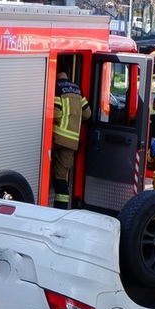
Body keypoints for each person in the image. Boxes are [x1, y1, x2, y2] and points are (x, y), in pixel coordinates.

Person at [52, 71, 89, 209]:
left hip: (56, 138)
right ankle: (60, 210)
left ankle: (58, 211)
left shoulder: (56, 86)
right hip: (71, 142)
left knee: (55, 179)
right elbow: (88, 114)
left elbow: (55, 113)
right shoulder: (77, 89)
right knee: (61, 177)